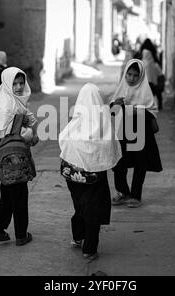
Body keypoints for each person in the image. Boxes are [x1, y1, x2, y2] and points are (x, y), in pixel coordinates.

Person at [59, 83, 122, 260]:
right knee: (94, 210)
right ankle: (89, 249)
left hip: (73, 177)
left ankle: (77, 237)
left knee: (79, 206)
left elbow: (63, 142)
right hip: (95, 178)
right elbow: (110, 148)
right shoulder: (103, 123)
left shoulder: (74, 123)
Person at [0, 67, 39, 245]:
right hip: (14, 157)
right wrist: (27, 129)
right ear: (7, 83)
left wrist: (25, 120)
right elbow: (20, 130)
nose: (18, 87)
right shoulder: (10, 104)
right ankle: (21, 235)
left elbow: (29, 119)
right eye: (14, 83)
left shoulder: (5, 100)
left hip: (2, 156)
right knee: (19, 196)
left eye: (21, 83)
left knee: (8, 193)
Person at [110, 59, 163, 208]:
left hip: (141, 132)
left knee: (140, 164)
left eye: (135, 75)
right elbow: (112, 112)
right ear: (125, 74)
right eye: (129, 74)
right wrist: (116, 105)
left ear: (140, 76)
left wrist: (137, 111)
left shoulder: (145, 92)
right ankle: (122, 192)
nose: (131, 78)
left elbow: (152, 113)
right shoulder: (121, 89)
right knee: (119, 163)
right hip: (122, 132)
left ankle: (135, 195)